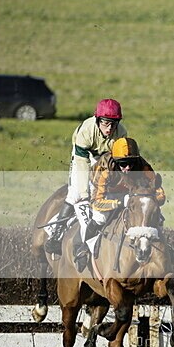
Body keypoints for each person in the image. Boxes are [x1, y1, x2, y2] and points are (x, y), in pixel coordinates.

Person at [44, 98, 127, 255]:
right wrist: (84, 193)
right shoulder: (86, 131)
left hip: (104, 159)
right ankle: (56, 233)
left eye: (113, 124)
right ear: (97, 120)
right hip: (83, 156)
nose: (109, 128)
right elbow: (82, 165)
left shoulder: (121, 132)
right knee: (76, 193)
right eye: (105, 123)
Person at [75, 136, 165, 272]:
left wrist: (148, 199)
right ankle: (84, 249)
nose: (127, 168)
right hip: (103, 192)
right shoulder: (104, 169)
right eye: (123, 163)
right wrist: (120, 202)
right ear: (116, 161)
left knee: (157, 217)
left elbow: (160, 194)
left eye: (131, 163)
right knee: (100, 217)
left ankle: (164, 249)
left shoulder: (143, 166)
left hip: (132, 193)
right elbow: (97, 202)